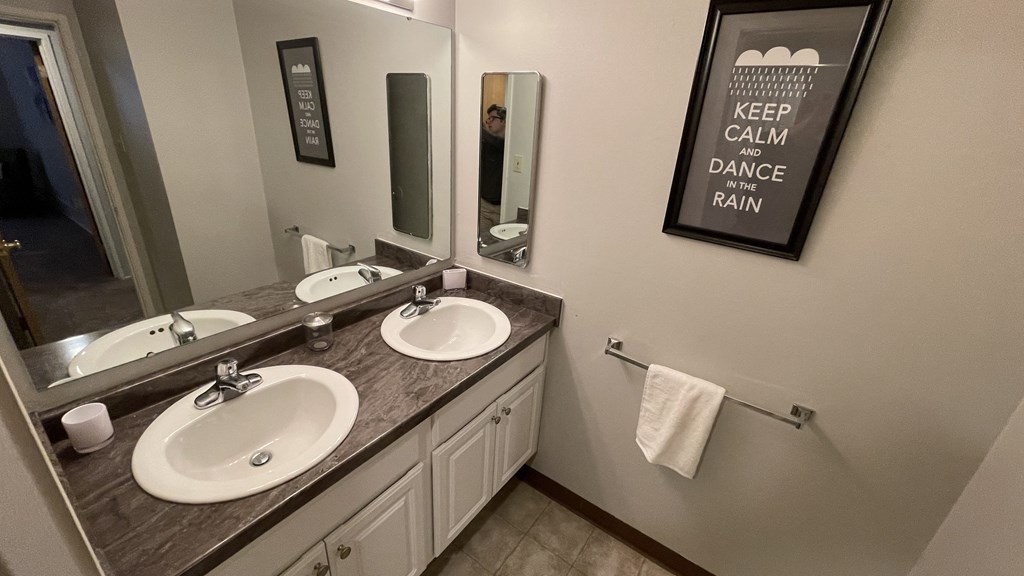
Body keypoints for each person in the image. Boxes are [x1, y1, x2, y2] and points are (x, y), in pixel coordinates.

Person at [478, 104, 506, 236]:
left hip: (502, 208)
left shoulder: (509, 143)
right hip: (484, 205)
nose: (489, 121)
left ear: (503, 121)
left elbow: (497, 141)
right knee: (483, 241)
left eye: (493, 118)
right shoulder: (485, 143)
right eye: (488, 118)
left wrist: (478, 125)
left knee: (500, 244)